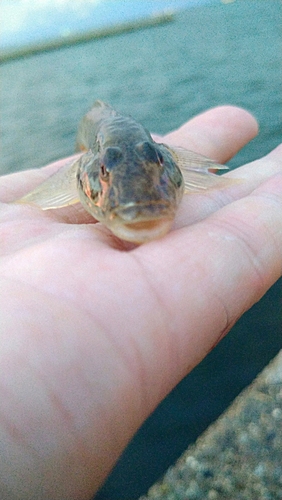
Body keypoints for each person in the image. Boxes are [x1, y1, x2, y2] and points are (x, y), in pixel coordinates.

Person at [0, 105, 281, 500]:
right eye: (103, 175)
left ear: (166, 162)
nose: (140, 209)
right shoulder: (96, 155)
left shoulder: (160, 156)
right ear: (88, 171)